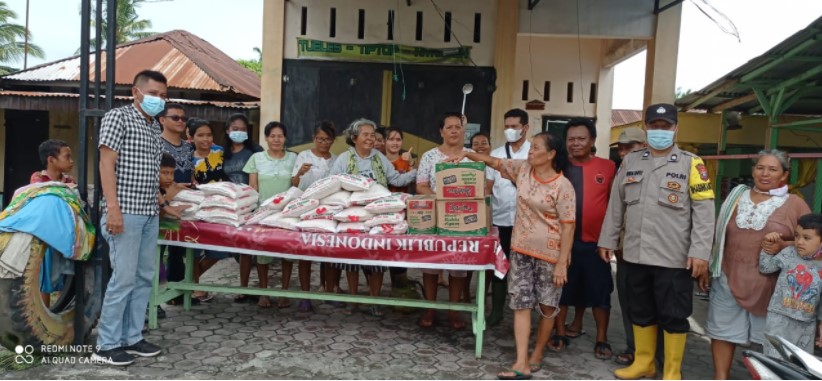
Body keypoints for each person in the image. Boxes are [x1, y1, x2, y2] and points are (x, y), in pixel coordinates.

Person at [444, 132, 575, 380]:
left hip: (550, 255)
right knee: (521, 304)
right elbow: (495, 162)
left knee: (547, 307)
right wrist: (467, 154)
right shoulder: (522, 170)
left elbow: (568, 225)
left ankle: (537, 353)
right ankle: (521, 361)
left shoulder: (563, 186)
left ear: (551, 154)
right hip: (521, 251)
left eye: (536, 148)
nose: (530, 151)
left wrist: (561, 263)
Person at [598, 103, 715, 380]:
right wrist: (608, 240)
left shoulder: (692, 163)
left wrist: (700, 253)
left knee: (673, 314)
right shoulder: (631, 160)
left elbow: (705, 211)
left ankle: (672, 371)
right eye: (654, 126)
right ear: (647, 128)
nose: (660, 131)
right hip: (635, 253)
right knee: (640, 310)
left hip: (674, 256)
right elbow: (617, 205)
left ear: (676, 128)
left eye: (666, 126)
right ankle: (644, 363)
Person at [706, 149, 811, 379]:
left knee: (769, 340)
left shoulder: (795, 204)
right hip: (728, 276)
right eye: (760, 167)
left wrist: (784, 245)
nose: (765, 173)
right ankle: (720, 377)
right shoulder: (737, 196)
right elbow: (719, 233)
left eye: (773, 169)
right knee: (723, 331)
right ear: (753, 170)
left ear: (784, 175)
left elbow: (813, 243)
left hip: (771, 287)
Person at [92, 70, 167, 366]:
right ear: (136, 92)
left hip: (149, 211)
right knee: (122, 279)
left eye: (163, 95)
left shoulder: (153, 127)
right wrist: (112, 208)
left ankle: (132, 337)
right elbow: (106, 163)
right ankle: (106, 344)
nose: (159, 100)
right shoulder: (118, 117)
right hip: (124, 211)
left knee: (144, 277)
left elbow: (150, 173)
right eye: (154, 94)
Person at [330, 118, 417, 317]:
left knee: (376, 259)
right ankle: (353, 300)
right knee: (351, 260)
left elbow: (394, 178)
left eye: (372, 135)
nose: (371, 138)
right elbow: (333, 183)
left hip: (378, 214)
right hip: (352, 214)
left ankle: (374, 300)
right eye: (366, 135)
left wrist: (416, 172)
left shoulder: (378, 157)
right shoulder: (344, 158)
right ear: (354, 138)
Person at [550, 118, 616, 360]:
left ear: (592, 141)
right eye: (571, 139)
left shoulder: (608, 167)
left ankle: (602, 338)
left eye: (581, 139)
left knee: (600, 294)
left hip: (596, 244)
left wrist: (610, 239)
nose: (575, 143)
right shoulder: (558, 165)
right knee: (561, 291)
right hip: (562, 243)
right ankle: (559, 332)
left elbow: (614, 206)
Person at [415, 111, 474, 330]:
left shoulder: (472, 155)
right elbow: (420, 185)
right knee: (431, 263)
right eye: (449, 127)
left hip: (463, 217)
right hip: (435, 216)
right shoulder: (430, 156)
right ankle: (430, 308)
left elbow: (482, 184)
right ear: (441, 131)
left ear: (463, 130)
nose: (454, 131)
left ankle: (453, 310)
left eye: (458, 126)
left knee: (458, 265)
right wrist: (438, 199)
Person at [244, 122, 298, 310]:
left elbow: (296, 184)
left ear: (285, 138)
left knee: (287, 253)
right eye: (272, 136)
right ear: (266, 138)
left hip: (287, 213)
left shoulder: (293, 158)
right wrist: (252, 212)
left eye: (280, 136)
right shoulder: (256, 158)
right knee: (262, 254)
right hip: (264, 212)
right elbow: (253, 188)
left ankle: (284, 293)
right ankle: (264, 292)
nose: (276, 139)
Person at [485, 108, 531, 327]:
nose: (509, 130)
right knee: (499, 266)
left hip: (528, 223)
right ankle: (496, 311)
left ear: (525, 128)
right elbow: (488, 189)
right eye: (507, 126)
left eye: (514, 126)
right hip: (501, 220)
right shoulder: (496, 154)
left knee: (525, 268)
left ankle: (524, 314)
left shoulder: (535, 153)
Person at [609, 127, 651, 366]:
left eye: (630, 147)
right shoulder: (622, 171)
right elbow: (615, 211)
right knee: (627, 301)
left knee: (653, 306)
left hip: (658, 253)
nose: (624, 153)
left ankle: (655, 356)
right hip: (626, 250)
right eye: (621, 149)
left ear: (644, 146)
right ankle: (633, 347)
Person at [759, 213, 822, 357]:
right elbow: (765, 267)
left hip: (807, 325)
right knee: (775, 362)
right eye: (797, 236)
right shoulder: (789, 253)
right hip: (779, 320)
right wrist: (767, 244)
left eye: (806, 238)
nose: (799, 242)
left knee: (799, 366)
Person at [293, 121, 340, 302]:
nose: (323, 143)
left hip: (329, 211)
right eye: (320, 139)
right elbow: (294, 183)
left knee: (329, 252)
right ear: (313, 138)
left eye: (327, 140)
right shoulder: (304, 156)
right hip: (305, 208)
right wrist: (300, 173)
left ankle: (329, 291)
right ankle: (305, 295)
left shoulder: (336, 160)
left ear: (333, 141)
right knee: (305, 252)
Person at [221, 113, 265, 305]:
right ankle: (243, 286)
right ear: (227, 130)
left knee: (248, 248)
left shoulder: (255, 152)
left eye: (243, 129)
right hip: (230, 205)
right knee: (237, 247)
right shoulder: (222, 153)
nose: (239, 132)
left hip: (251, 203)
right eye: (235, 129)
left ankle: (250, 288)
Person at [188, 118, 231, 301]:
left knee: (219, 250)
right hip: (196, 208)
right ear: (190, 137)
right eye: (200, 135)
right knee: (194, 249)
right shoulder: (187, 157)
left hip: (220, 208)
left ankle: (190, 278)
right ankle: (195, 286)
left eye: (209, 135)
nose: (205, 139)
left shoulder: (220, 153)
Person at [31, 139, 76, 307]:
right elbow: (45, 194)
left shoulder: (69, 180)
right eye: (67, 157)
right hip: (45, 236)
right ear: (51, 160)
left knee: (66, 277)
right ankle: (45, 315)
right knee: (45, 280)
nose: (71, 161)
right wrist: (67, 191)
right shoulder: (38, 178)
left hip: (65, 235)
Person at [157, 103, 193, 308]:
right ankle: (153, 302)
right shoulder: (156, 144)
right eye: (175, 117)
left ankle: (176, 293)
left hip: (183, 204)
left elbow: (190, 172)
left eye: (183, 118)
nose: (181, 121)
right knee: (157, 253)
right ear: (162, 120)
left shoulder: (188, 147)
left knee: (179, 251)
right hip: (159, 203)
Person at [383, 126, 416, 290]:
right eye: (391, 139)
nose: (395, 143)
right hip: (380, 212)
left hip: (400, 212)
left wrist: (411, 164)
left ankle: (399, 288)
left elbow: (413, 184)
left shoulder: (406, 162)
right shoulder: (378, 160)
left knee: (399, 251)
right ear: (384, 141)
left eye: (398, 139)